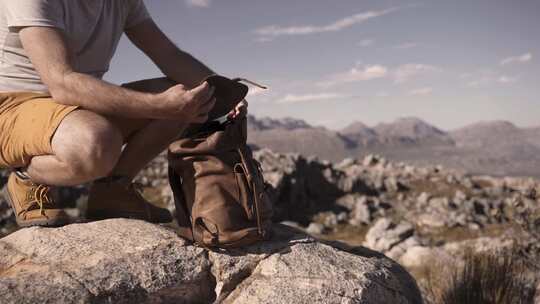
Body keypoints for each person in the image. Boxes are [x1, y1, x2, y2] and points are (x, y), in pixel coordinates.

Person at [0, 0, 247, 227]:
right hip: (13, 107)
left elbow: (169, 55)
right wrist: (160, 105)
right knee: (94, 143)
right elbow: (61, 82)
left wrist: (220, 95)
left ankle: (112, 190)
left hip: (76, 107)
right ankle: (26, 178)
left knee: (185, 96)